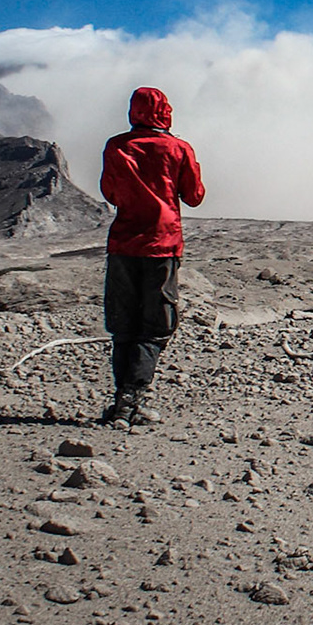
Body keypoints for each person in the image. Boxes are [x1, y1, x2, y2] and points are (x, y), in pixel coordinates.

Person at [97, 86, 204, 426]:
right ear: (166, 112)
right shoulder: (178, 148)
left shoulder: (116, 146)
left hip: (123, 244)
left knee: (123, 325)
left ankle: (122, 400)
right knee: (156, 326)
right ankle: (132, 398)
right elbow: (195, 196)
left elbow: (109, 192)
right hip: (162, 244)